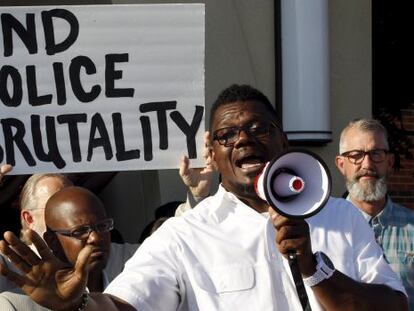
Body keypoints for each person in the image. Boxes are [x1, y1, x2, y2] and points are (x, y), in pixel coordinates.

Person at [0, 84, 408, 310]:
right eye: (228, 135)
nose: (244, 139)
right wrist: (77, 305)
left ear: (282, 139)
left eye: (258, 128)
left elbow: (392, 307)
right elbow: (126, 305)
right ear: (213, 153)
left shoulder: (341, 217)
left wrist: (314, 269)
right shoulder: (185, 235)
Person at [335, 118, 414, 309]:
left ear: (389, 161)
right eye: (356, 155)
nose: (367, 164)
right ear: (341, 164)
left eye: (376, 154)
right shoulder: (323, 228)